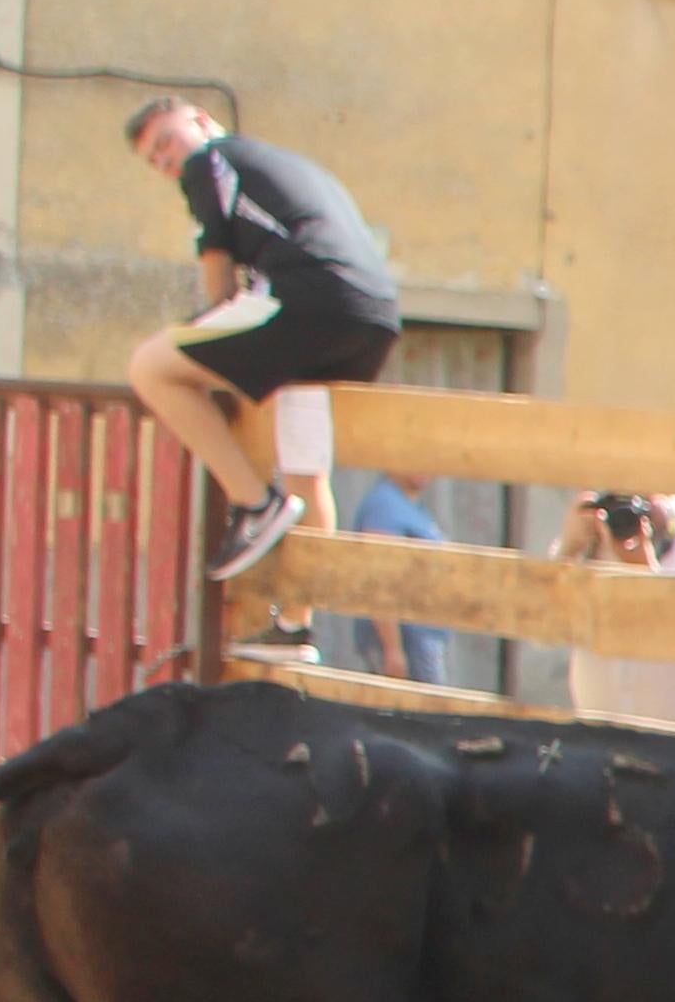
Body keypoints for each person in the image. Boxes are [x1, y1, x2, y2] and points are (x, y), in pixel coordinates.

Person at [117, 98, 402, 582]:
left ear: (203, 119)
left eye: (167, 141)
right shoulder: (290, 165)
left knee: (149, 366)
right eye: (156, 161)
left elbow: (219, 279)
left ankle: (253, 503)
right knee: (304, 467)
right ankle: (296, 624)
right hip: (373, 317)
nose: (167, 162)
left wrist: (205, 340)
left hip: (307, 301)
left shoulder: (210, 160)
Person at [554, 491, 675, 739]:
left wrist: (645, 574)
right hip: (602, 739)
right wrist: (568, 551)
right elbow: (538, 629)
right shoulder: (594, 528)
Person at [332, 472, 452, 686]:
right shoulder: (384, 504)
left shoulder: (412, 506)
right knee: (417, 717)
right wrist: (392, 649)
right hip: (407, 640)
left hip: (422, 639)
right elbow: (380, 578)